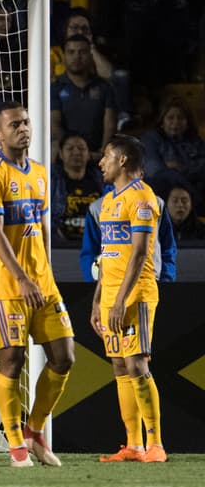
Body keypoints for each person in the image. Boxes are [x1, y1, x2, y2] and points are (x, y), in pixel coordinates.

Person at [0, 101, 74, 468]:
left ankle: (33, 430)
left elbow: (42, 226)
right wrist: (21, 277)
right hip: (7, 285)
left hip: (41, 282)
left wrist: (44, 271)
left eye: (26, 122)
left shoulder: (40, 173)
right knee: (12, 360)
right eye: (14, 124)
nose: (23, 128)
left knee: (65, 357)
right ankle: (15, 443)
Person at [92, 136, 166, 463]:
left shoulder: (143, 199)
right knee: (120, 366)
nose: (100, 162)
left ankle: (156, 445)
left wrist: (122, 299)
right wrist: (98, 301)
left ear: (122, 160)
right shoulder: (109, 201)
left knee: (137, 364)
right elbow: (107, 256)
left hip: (136, 296)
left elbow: (138, 254)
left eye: (106, 156)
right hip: (110, 296)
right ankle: (133, 445)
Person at [51, 34, 116, 155]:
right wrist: (75, 152)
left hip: (98, 155)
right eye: (71, 52)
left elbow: (110, 125)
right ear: (64, 56)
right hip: (66, 156)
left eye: (82, 52)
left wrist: (104, 152)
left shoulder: (104, 87)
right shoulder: (54, 87)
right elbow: (55, 125)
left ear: (91, 56)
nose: (77, 56)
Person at [52, 132, 104, 243]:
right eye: (70, 149)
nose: (76, 152)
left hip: (95, 243)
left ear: (89, 153)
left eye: (81, 148)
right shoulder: (51, 180)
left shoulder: (101, 180)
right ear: (61, 154)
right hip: (60, 245)